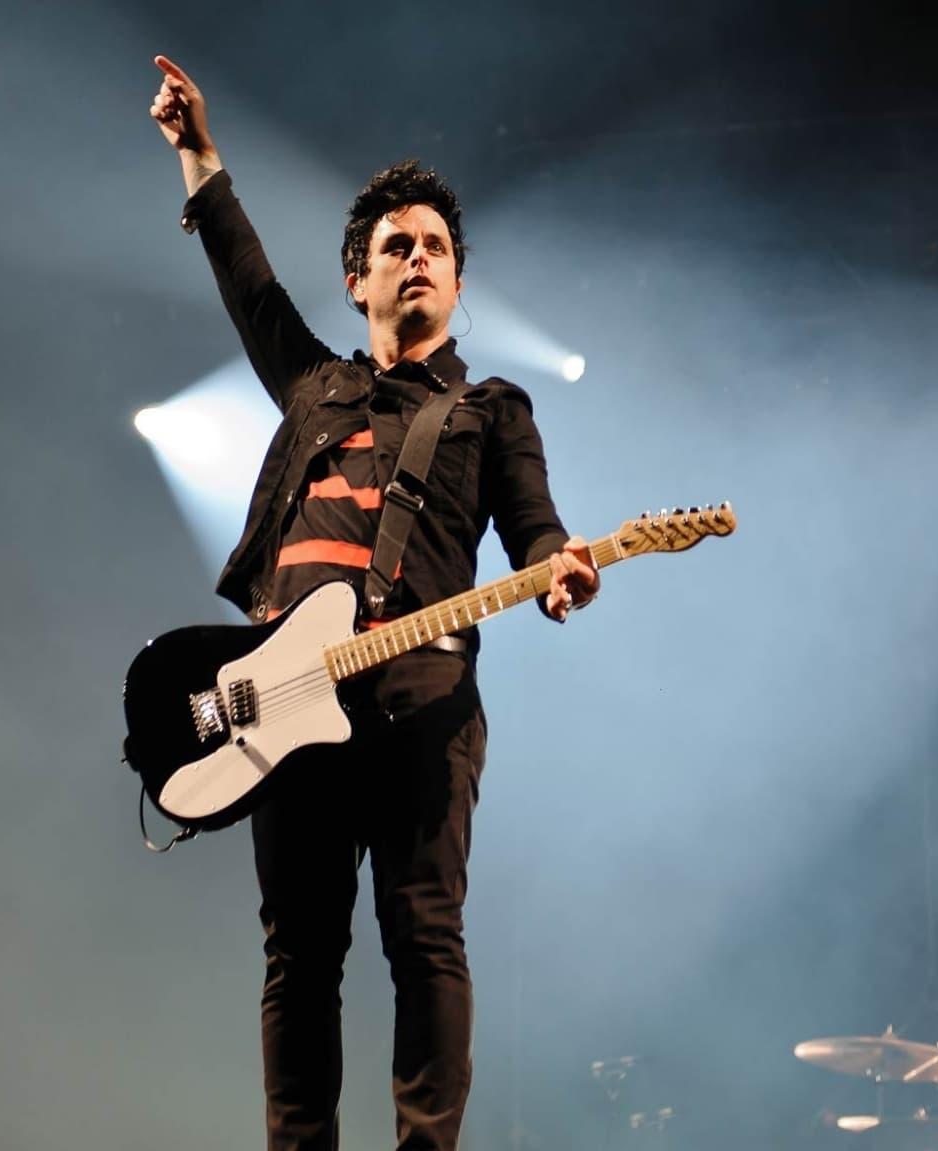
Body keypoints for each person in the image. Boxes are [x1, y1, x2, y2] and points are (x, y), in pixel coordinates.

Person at [147, 54, 601, 1151]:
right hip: (285, 696)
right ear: (357, 278)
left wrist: (559, 568)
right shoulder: (312, 385)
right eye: (396, 246)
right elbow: (246, 280)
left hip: (421, 693)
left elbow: (534, 523)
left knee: (422, 934)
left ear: (457, 282)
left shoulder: (490, 411)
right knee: (298, 948)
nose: (417, 260)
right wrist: (198, 154)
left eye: (435, 248)